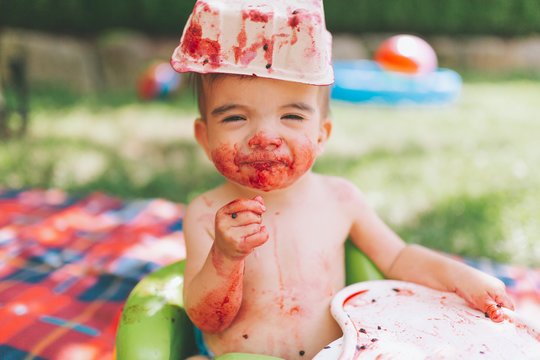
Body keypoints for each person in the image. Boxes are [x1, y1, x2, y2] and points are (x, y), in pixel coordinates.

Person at [172, 1, 514, 359]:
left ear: (322, 134)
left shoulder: (340, 199)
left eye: (291, 116)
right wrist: (225, 257)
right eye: (235, 119)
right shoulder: (206, 213)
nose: (264, 136)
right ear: (204, 135)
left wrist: (463, 279)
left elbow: (398, 257)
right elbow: (208, 320)